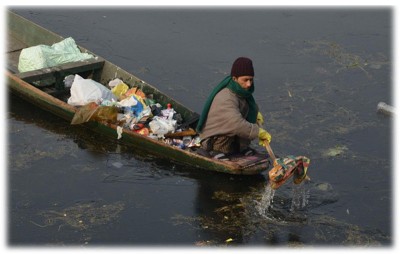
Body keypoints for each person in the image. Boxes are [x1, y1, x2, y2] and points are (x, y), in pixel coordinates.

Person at [196, 57, 272, 161]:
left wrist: (255, 114)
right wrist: (258, 132)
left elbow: (247, 107)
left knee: (245, 124)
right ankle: (217, 151)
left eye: (251, 79)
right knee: (236, 126)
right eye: (245, 80)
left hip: (232, 133)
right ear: (234, 79)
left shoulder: (242, 93)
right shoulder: (226, 97)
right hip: (214, 138)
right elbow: (236, 124)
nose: (249, 84)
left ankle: (240, 148)